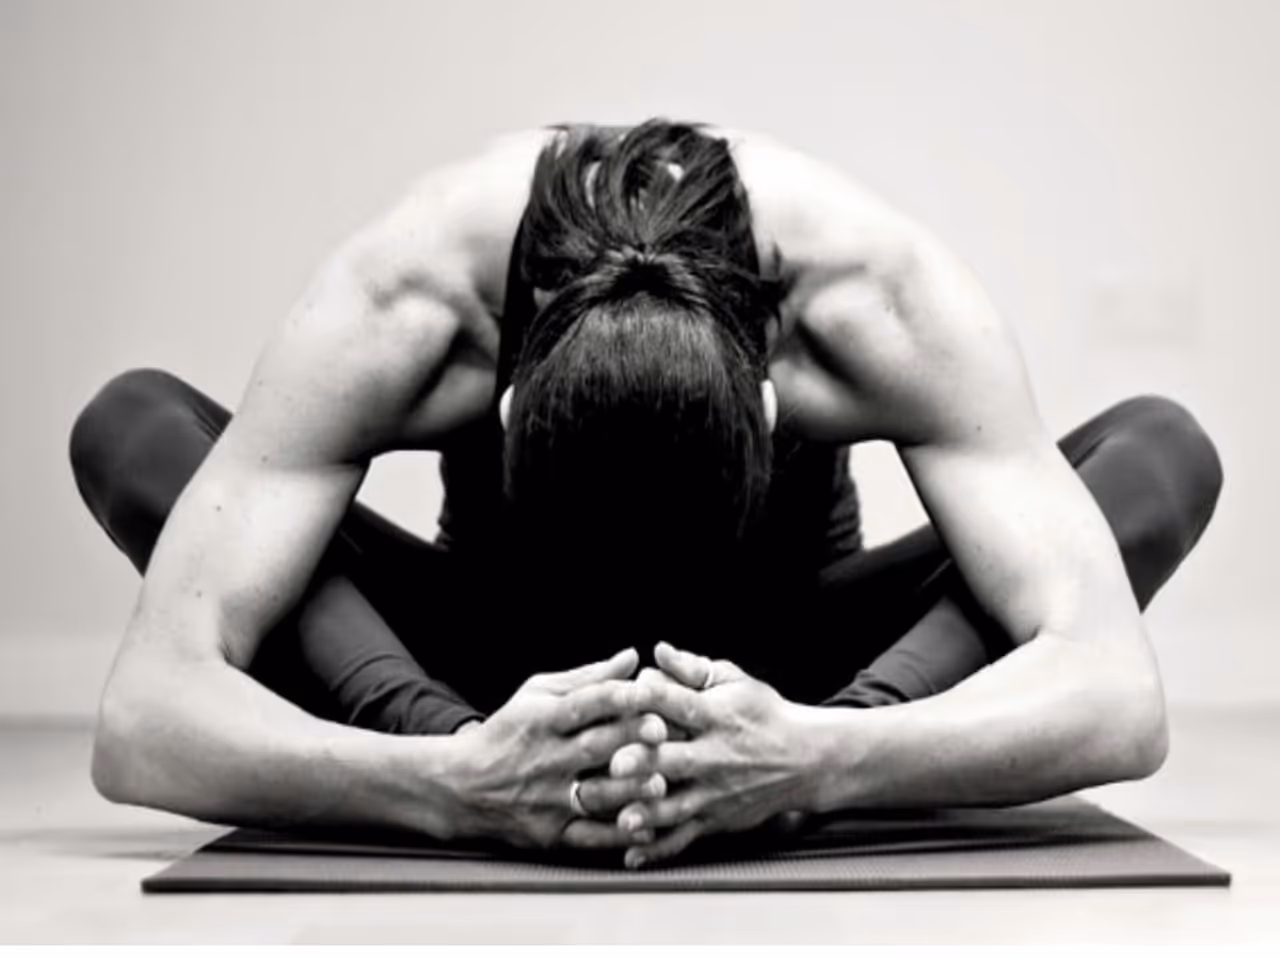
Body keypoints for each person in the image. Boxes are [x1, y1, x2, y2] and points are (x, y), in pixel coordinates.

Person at [69, 118, 1222, 869]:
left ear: (767, 400)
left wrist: (820, 756)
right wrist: (453, 779)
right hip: (494, 665)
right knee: (135, 424)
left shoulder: (874, 299)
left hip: (789, 667)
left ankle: (823, 734)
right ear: (509, 404)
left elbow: (1116, 695)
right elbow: (143, 722)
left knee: (1157, 448)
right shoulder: (405, 304)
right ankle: (475, 740)